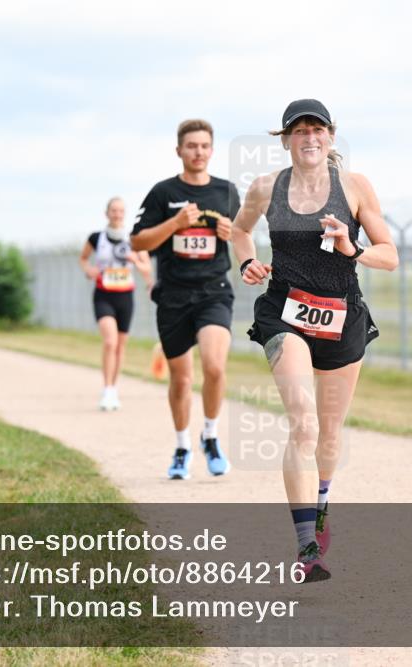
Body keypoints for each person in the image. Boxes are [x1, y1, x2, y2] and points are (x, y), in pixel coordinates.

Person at [231, 100, 398, 582]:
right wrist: (247, 263)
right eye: (299, 131)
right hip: (286, 313)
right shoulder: (266, 188)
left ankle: (321, 504)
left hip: (343, 316)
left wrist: (353, 248)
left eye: (317, 129)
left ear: (330, 137)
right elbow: (240, 232)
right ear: (285, 140)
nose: (309, 137)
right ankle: (307, 545)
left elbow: (390, 256)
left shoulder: (355, 187)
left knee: (328, 433)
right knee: (302, 424)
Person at [131, 119, 240, 480]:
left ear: (211, 150)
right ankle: (182, 447)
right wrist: (174, 224)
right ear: (179, 150)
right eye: (191, 146)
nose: (198, 152)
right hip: (174, 295)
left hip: (214, 292)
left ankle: (209, 435)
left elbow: (242, 237)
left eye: (204, 146)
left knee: (214, 366)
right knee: (180, 380)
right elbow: (138, 242)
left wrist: (231, 232)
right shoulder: (163, 193)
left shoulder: (226, 191)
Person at [80, 197, 153, 411]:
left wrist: (134, 260)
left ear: (125, 214)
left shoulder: (135, 239)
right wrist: (88, 270)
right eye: (113, 210)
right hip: (103, 295)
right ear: (107, 213)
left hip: (125, 297)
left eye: (121, 211)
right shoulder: (96, 238)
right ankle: (106, 389)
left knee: (120, 346)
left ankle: (114, 390)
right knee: (110, 342)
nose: (117, 214)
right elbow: (83, 259)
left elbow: (147, 270)